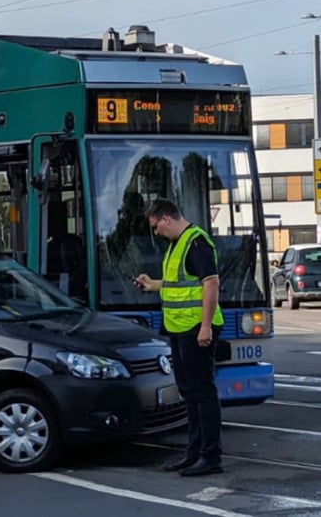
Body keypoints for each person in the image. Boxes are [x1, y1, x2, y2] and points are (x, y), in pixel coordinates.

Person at [134, 198, 224, 477]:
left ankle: (210, 458)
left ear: (166, 219)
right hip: (180, 329)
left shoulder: (195, 242)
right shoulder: (177, 244)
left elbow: (211, 283)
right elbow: (182, 283)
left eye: (156, 228)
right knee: (190, 393)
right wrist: (154, 285)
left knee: (202, 393)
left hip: (196, 329)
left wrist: (205, 327)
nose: (156, 233)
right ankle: (194, 454)